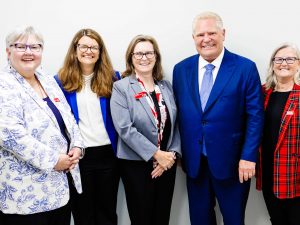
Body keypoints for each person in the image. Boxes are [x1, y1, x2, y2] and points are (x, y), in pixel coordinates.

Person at [172, 11, 264, 225]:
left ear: (223, 33)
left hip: (233, 164)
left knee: (234, 220)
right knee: (200, 220)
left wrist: (249, 156)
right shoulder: (181, 69)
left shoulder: (245, 68)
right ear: (193, 38)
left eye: (212, 33)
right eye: (200, 35)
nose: (206, 39)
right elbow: (178, 115)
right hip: (195, 164)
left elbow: (255, 115)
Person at [0, 26, 84, 225]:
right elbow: (10, 134)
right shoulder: (4, 84)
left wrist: (77, 146)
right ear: (8, 51)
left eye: (35, 47)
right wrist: (54, 160)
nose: (29, 52)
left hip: (58, 190)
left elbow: (69, 118)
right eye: (21, 46)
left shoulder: (46, 78)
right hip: (26, 198)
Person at [110, 34, 181, 225]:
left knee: (162, 216)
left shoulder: (166, 86)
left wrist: (171, 155)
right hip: (137, 165)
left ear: (156, 56)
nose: (144, 57)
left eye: (149, 53)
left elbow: (176, 125)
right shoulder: (121, 87)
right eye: (138, 53)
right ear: (131, 57)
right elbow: (125, 128)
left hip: (167, 165)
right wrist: (156, 154)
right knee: (142, 218)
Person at [54, 28, 120, 225]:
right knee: (83, 213)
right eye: (83, 46)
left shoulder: (113, 78)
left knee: (107, 212)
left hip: (109, 155)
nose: (88, 51)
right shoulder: (60, 82)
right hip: (78, 158)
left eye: (94, 47)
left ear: (100, 52)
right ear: (75, 50)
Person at [256, 43, 300, 225]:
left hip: (294, 173)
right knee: (276, 220)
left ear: (298, 64)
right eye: (279, 59)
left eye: (290, 59)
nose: (284, 63)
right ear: (273, 63)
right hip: (268, 170)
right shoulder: (263, 92)